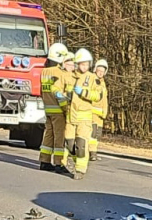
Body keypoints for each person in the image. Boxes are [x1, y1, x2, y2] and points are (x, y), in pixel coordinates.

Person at [65, 48, 103, 179]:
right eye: (82, 64)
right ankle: (75, 161)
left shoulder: (93, 78)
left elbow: (98, 95)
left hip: (84, 117)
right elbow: (63, 90)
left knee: (81, 144)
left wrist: (83, 92)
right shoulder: (70, 76)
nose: (84, 66)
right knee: (69, 144)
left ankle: (80, 169)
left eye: (86, 64)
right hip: (71, 116)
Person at [38, 43, 73, 171]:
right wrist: (66, 111)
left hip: (48, 108)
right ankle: (59, 163)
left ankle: (44, 160)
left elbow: (42, 90)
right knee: (59, 137)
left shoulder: (44, 72)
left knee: (48, 135)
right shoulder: (59, 73)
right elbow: (61, 96)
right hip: (58, 110)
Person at [89, 59, 109, 161]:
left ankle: (93, 151)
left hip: (100, 114)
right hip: (92, 112)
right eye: (99, 70)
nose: (100, 72)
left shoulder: (103, 83)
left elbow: (104, 99)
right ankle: (91, 152)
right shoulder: (92, 79)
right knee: (93, 133)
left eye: (102, 71)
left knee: (98, 134)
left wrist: (105, 111)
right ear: (95, 69)